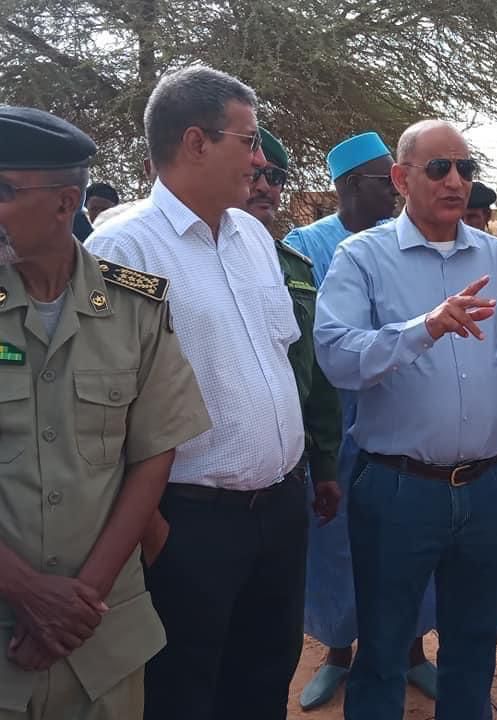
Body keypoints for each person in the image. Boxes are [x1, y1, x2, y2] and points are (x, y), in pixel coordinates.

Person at [86, 65, 307, 720]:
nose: (261, 159)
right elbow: (101, 412)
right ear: (195, 142)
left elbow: (276, 359)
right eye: (248, 140)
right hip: (189, 523)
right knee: (184, 692)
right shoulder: (123, 249)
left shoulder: (255, 240)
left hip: (278, 514)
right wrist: (157, 532)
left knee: (264, 681)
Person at [313, 119, 497, 720]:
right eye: (439, 168)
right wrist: (426, 327)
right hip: (398, 489)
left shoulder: (496, 257)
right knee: (384, 649)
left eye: (466, 168)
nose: (456, 181)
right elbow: (336, 355)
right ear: (401, 178)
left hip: (489, 486)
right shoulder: (361, 257)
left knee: (473, 647)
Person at [0, 106, 210, 719]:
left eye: (4, 191)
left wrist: (80, 600)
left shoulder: (134, 307)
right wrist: (27, 592)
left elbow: (152, 456)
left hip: (101, 636)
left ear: (66, 203)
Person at [285, 132, 439, 710]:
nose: (396, 193)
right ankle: (337, 652)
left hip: (398, 416)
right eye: (384, 182)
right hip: (332, 425)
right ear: (350, 186)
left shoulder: (409, 242)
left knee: (409, 533)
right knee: (334, 540)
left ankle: (413, 652)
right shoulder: (306, 246)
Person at [242, 125, 344, 686]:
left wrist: (325, 464)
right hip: (199, 501)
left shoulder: (295, 270)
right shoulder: (161, 257)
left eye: (275, 177)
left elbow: (317, 378)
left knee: (270, 651)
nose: (265, 187)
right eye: (254, 174)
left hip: (286, 482)